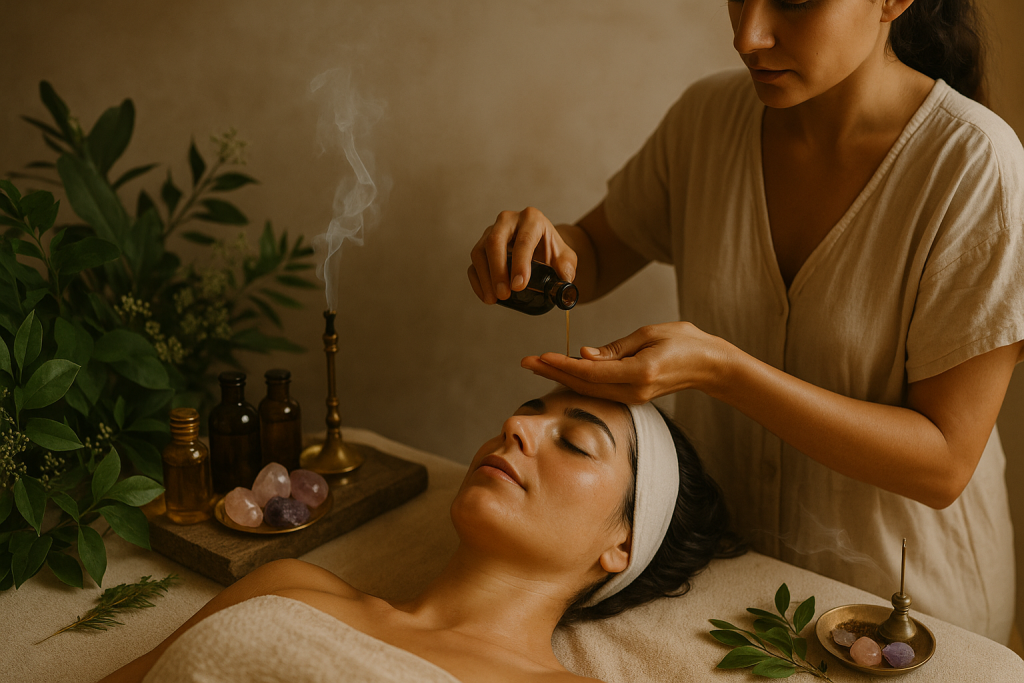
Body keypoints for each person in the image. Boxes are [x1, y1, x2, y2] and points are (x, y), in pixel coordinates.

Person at [468, 0, 1024, 643]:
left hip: (905, 616)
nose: (748, 36)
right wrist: (536, 252)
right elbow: (591, 253)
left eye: (793, 0)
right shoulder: (705, 120)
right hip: (730, 587)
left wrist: (723, 372)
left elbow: (943, 464)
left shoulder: (975, 167)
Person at [100, 390, 741, 683]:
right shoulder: (286, 584)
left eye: (574, 443)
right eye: (527, 412)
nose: (516, 426)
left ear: (622, 545)